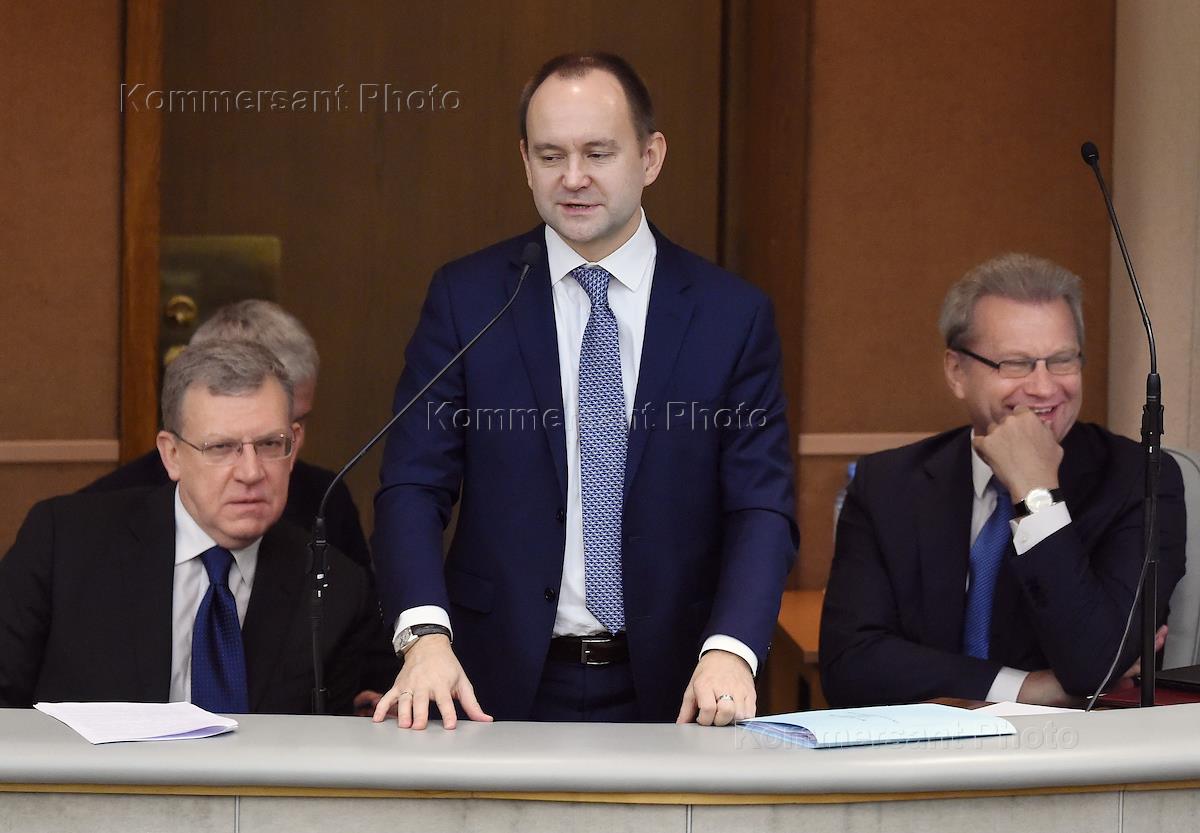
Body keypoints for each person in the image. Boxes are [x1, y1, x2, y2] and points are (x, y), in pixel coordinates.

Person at [370, 52, 798, 728]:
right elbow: (412, 484)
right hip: (489, 679)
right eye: (550, 156)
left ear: (651, 157)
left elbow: (761, 505)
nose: (573, 178)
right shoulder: (468, 298)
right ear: (525, 161)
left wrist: (732, 648)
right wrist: (423, 636)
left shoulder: (730, 315)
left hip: (681, 682)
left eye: (598, 153)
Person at [819, 253, 1187, 707]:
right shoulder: (887, 484)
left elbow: (1096, 664)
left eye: (1062, 360)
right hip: (915, 748)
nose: (1044, 387)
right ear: (957, 372)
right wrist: (1025, 688)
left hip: (1076, 750)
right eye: (1015, 363)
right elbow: (849, 665)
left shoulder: (1139, 479)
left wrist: (1036, 494)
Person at [0, 341, 388, 714]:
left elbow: (331, 736)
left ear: (295, 445)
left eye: (270, 444)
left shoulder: (334, 587)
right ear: (171, 455)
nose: (251, 472)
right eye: (221, 448)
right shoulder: (64, 544)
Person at [83, 299, 369, 567]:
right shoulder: (98, 521)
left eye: (273, 438)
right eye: (222, 444)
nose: (251, 471)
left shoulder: (326, 500)